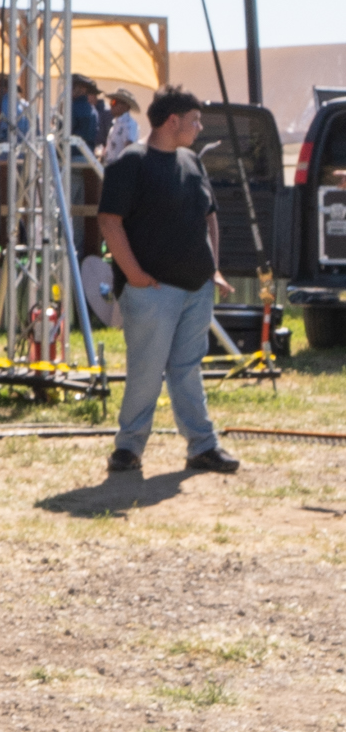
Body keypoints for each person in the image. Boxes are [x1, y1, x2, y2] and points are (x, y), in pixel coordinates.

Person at [102, 86, 242, 481]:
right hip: (152, 290)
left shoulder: (192, 162)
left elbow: (209, 217)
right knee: (146, 370)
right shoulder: (130, 163)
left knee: (187, 368)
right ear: (172, 121)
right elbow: (109, 221)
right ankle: (128, 447)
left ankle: (202, 446)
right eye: (194, 121)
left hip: (196, 288)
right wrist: (134, 276)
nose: (199, 128)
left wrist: (212, 268)